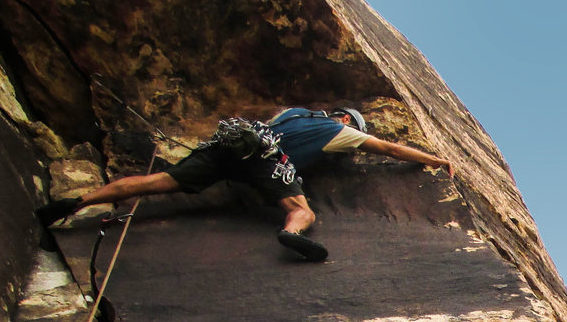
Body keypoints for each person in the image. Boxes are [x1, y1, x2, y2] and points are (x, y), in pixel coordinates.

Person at [38, 106, 454, 262]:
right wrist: (434, 158)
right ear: (347, 120)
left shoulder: (291, 112)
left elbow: (265, 128)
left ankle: (78, 202)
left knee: (153, 183)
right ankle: (291, 236)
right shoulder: (338, 130)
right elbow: (389, 150)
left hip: (228, 149)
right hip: (266, 162)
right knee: (301, 209)